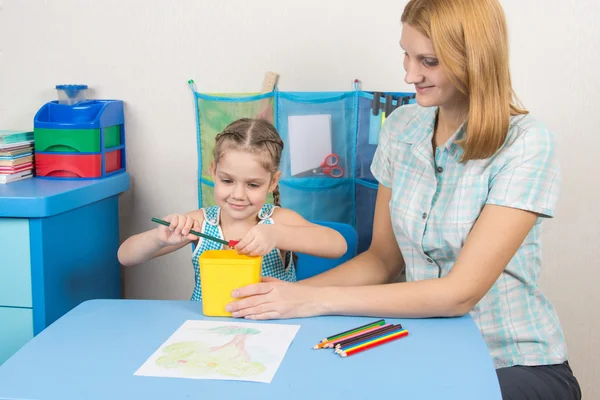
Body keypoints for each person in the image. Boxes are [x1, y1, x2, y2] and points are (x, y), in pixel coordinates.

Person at [225, 1, 582, 398]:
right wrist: (281, 298)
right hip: (422, 348)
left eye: (428, 60)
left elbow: (459, 293)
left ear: (475, 59)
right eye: (406, 55)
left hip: (511, 360)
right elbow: (382, 260)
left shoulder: (527, 143)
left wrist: (310, 299)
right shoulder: (400, 128)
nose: (410, 74)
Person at [118, 118, 347, 301]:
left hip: (272, 328)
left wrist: (277, 235)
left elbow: (337, 245)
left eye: (253, 185)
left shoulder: (278, 220)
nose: (238, 194)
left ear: (273, 182)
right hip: (207, 331)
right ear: (213, 171)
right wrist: (160, 238)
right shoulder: (200, 223)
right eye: (227, 181)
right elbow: (125, 256)